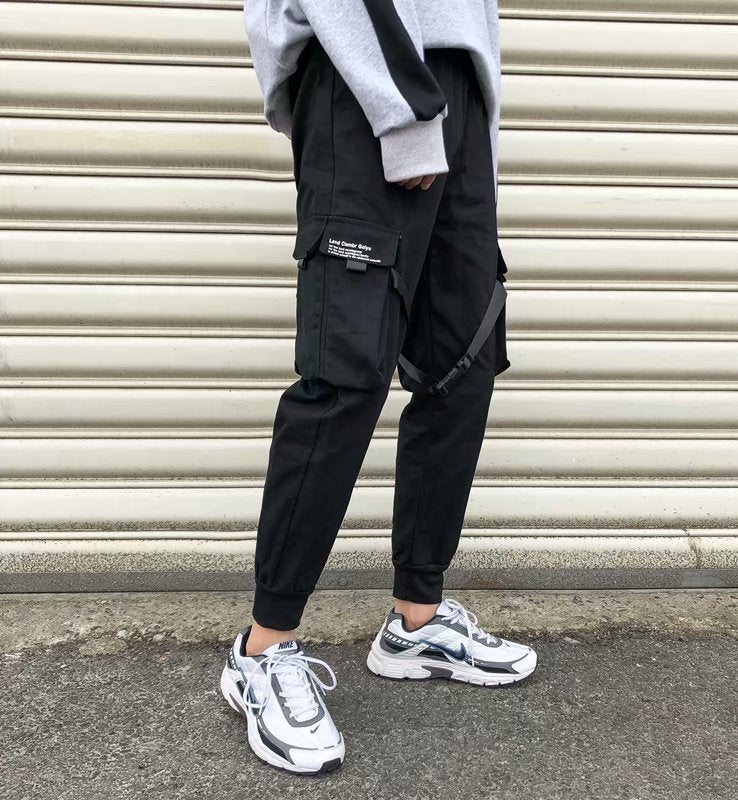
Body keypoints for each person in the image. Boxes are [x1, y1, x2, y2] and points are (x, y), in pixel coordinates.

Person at [220, 0, 538, 774]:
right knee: (345, 375)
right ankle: (261, 649)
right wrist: (403, 110)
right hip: (367, 83)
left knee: (461, 366)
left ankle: (416, 621)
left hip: (455, 95)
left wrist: (471, 123)